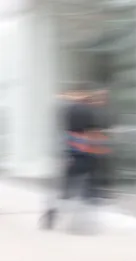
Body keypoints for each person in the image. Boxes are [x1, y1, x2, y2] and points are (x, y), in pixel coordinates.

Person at [41, 87, 109, 231]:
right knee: (84, 188)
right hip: (85, 152)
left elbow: (68, 131)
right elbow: (93, 133)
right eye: (101, 99)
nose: (103, 102)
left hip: (73, 151)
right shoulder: (88, 112)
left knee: (70, 188)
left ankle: (54, 212)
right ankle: (77, 222)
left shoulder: (71, 110)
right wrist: (100, 148)